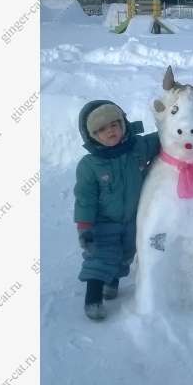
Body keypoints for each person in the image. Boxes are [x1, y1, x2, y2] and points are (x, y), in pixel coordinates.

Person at [74, 100, 160, 320]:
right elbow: (85, 199)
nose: (110, 131)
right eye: (101, 129)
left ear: (123, 124)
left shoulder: (138, 148)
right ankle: (93, 299)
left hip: (133, 220)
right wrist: (85, 227)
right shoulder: (89, 165)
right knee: (100, 257)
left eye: (114, 124)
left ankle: (111, 284)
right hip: (104, 222)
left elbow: (164, 138)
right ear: (91, 135)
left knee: (125, 255)